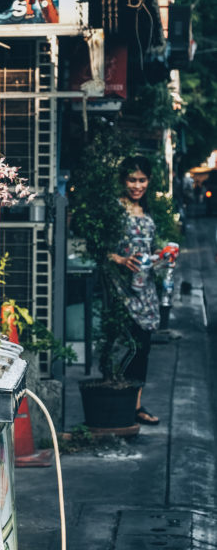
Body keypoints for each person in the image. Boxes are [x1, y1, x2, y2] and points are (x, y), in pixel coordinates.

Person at [107, 156, 161, 425]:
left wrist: (162, 258)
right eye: (132, 179)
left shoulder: (148, 214)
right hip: (119, 289)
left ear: (148, 182)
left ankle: (136, 406)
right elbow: (97, 247)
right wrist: (119, 259)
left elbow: (150, 254)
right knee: (122, 346)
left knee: (143, 348)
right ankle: (119, 403)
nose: (137, 185)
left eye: (142, 180)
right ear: (123, 180)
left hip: (146, 291)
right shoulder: (115, 210)